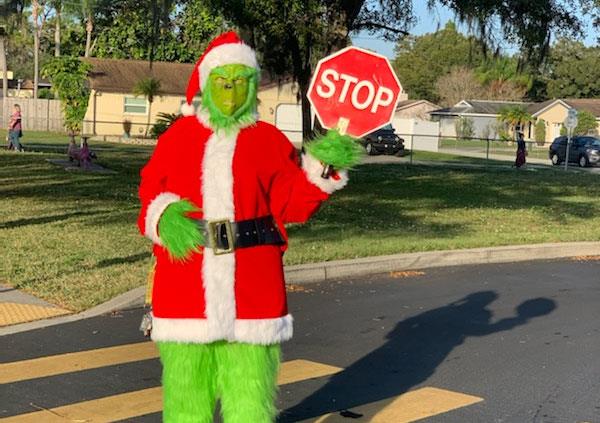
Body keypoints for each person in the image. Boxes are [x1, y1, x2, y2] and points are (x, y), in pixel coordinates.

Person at [137, 32, 361, 422]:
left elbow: (292, 205)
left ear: (254, 85)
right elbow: (149, 195)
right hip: (186, 283)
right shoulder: (177, 138)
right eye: (224, 82)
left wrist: (324, 167)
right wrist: (163, 218)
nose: (232, 91)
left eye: (242, 81)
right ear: (207, 84)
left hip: (253, 289)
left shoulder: (269, 141)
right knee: (187, 393)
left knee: (250, 397)